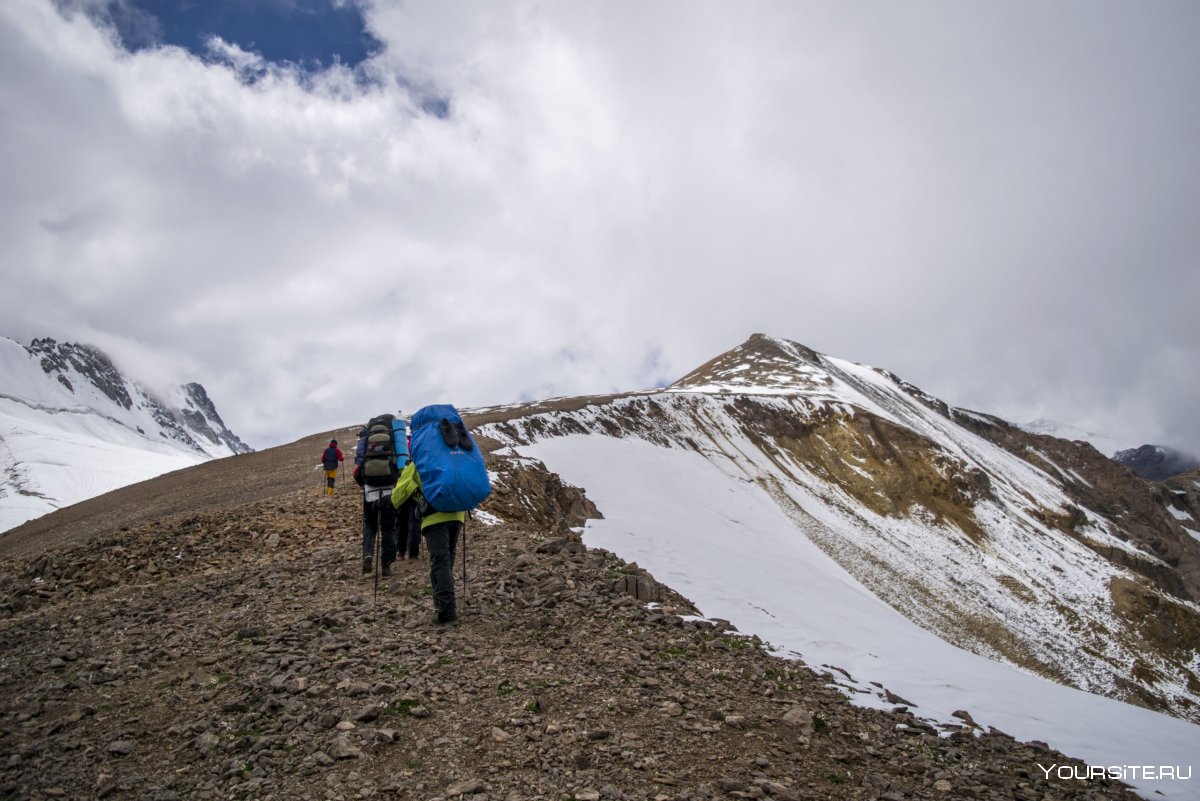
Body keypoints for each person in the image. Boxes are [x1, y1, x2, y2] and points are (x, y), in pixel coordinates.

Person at [391, 461, 464, 623]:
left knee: (440, 561)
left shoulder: (420, 460)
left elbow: (397, 497)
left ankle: (447, 612)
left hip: (434, 516)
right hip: (458, 513)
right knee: (447, 560)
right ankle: (441, 605)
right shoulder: (451, 455)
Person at [353, 426, 398, 577]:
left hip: (369, 491)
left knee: (370, 525)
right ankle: (386, 566)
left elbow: (357, 470)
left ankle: (368, 554)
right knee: (389, 528)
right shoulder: (393, 439)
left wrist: (363, 485)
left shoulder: (366, 439)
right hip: (389, 492)